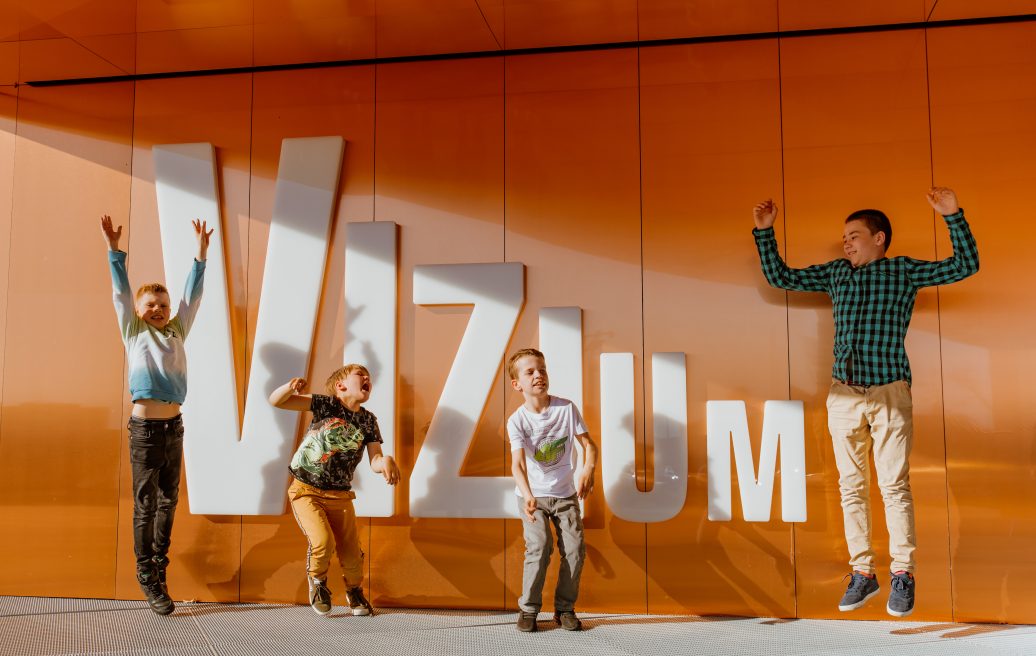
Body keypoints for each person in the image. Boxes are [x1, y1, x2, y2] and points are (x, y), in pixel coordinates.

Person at [751, 188, 979, 617]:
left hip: (889, 390)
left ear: (879, 239)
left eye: (854, 235)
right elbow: (782, 277)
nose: (846, 242)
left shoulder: (902, 272)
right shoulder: (837, 273)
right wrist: (765, 232)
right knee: (850, 487)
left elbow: (965, 265)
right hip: (843, 394)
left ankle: (903, 574)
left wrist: (953, 216)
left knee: (894, 486)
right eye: (844, 236)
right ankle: (863, 573)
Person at [101, 214, 213, 615]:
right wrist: (115, 252)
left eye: (163, 305)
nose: (159, 309)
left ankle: (159, 573)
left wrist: (200, 255)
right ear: (139, 310)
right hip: (145, 430)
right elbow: (120, 293)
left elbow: (191, 298)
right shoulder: (134, 331)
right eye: (151, 305)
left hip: (174, 427)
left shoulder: (177, 331)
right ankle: (146, 575)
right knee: (146, 504)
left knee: (169, 502)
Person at [268, 366, 400, 617]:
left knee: (351, 552)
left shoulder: (368, 420)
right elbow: (277, 401)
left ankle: (354, 590)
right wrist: (288, 387)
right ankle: (318, 583)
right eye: (359, 375)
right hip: (306, 490)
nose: (366, 379)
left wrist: (386, 462)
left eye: (368, 377)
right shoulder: (327, 404)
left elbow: (375, 460)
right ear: (340, 386)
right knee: (323, 541)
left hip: (340, 495)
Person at [507, 348, 598, 632]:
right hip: (532, 498)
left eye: (542, 370)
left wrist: (588, 468)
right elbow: (518, 466)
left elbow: (589, 445)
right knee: (540, 547)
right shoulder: (517, 421)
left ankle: (564, 609)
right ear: (517, 384)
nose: (538, 376)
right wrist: (529, 495)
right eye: (530, 372)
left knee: (574, 549)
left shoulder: (566, 409)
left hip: (565, 495)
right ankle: (529, 609)